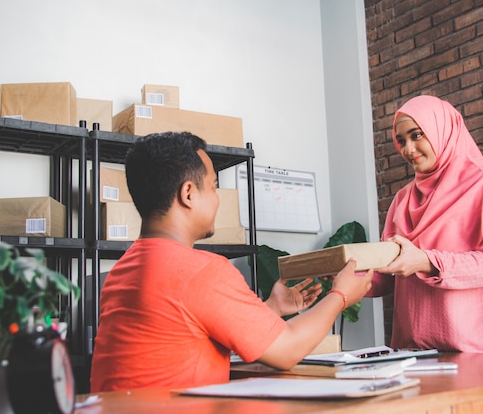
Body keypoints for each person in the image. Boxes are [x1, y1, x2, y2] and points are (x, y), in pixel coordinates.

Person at [90, 131, 373, 392]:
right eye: (214, 187)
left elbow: (183, 336)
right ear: (188, 194)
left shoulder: (122, 271)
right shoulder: (201, 270)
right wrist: (341, 295)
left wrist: (272, 308)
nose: (217, 200)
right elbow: (287, 350)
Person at [367, 95, 483, 354]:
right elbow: (389, 274)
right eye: (401, 140)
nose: (408, 149)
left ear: (442, 130)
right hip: (409, 355)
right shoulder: (402, 199)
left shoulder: (481, 185)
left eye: (417, 135)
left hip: (467, 354)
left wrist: (424, 261)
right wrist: (345, 276)